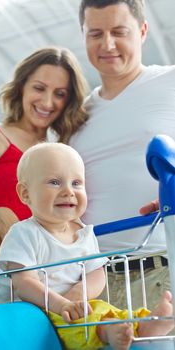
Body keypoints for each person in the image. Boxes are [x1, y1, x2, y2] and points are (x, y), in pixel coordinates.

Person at [0, 142, 174, 350]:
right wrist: (61, 304)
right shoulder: (23, 233)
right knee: (76, 322)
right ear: (25, 193)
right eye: (54, 182)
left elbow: (97, 272)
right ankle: (109, 332)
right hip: (30, 314)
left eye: (77, 183)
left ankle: (143, 325)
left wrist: (80, 292)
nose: (68, 191)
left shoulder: (84, 233)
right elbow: (24, 283)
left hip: (69, 309)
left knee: (102, 309)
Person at [68, 0, 175, 310]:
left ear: (142, 31)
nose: (108, 44)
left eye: (119, 31)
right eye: (96, 33)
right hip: (94, 284)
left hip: (163, 272)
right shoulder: (74, 117)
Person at [0, 46, 89, 284]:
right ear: (21, 86)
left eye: (60, 93)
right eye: (39, 88)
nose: (48, 102)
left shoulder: (65, 150)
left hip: (57, 284)